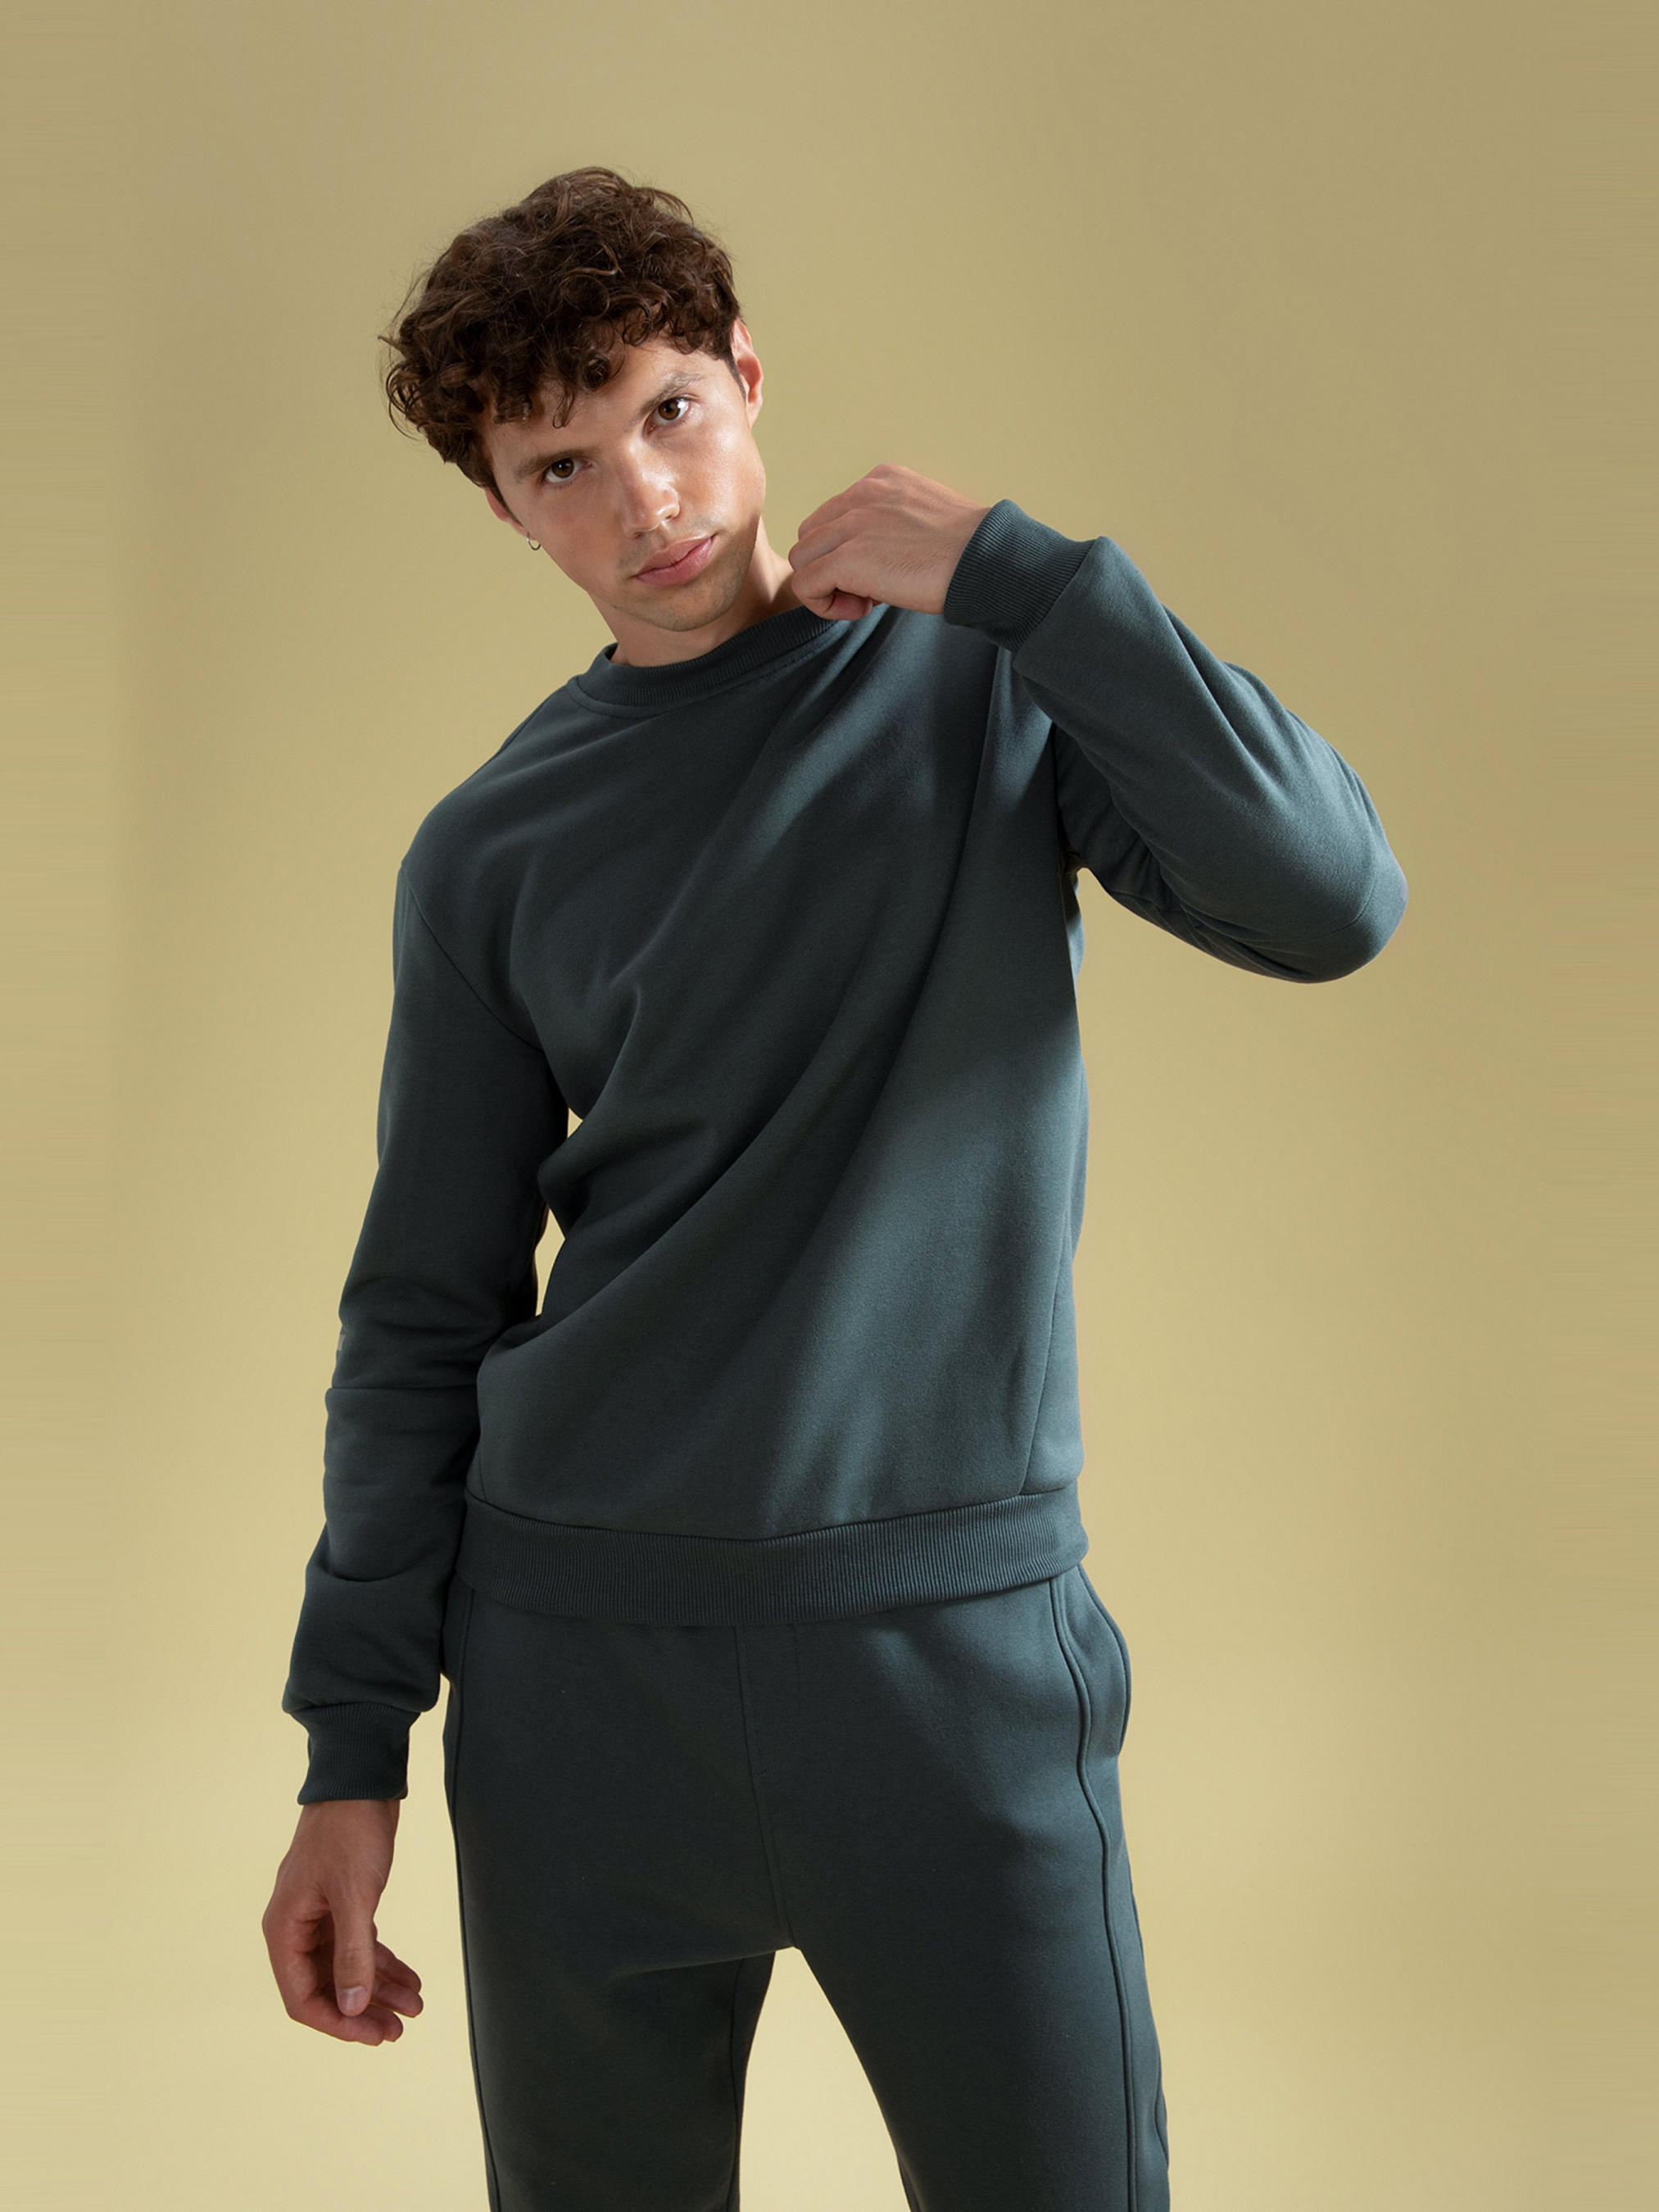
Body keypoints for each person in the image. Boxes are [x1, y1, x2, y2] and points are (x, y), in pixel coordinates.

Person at [261, 165, 1407, 2212]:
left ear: (747, 374)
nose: (644, 498)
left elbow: (1330, 904)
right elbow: (421, 1309)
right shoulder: (489, 850)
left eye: (669, 411)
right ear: (504, 508)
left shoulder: (989, 684)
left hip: (949, 1671)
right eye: (560, 464)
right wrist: (352, 1754)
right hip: (574, 1688)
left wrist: (1037, 584)